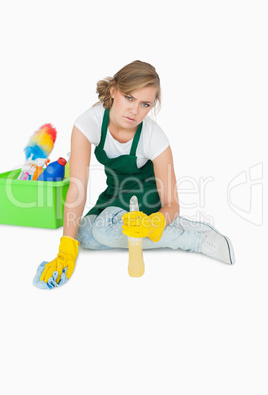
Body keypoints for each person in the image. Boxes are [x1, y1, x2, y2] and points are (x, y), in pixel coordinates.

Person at [39, 60, 235, 285]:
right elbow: (77, 187)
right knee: (82, 236)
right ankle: (139, 229)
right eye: (129, 98)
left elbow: (172, 204)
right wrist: (65, 248)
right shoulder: (88, 122)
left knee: (103, 232)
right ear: (113, 91)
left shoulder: (154, 137)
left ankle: (193, 238)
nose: (134, 110)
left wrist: (156, 223)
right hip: (113, 199)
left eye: (145, 104)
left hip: (145, 204)